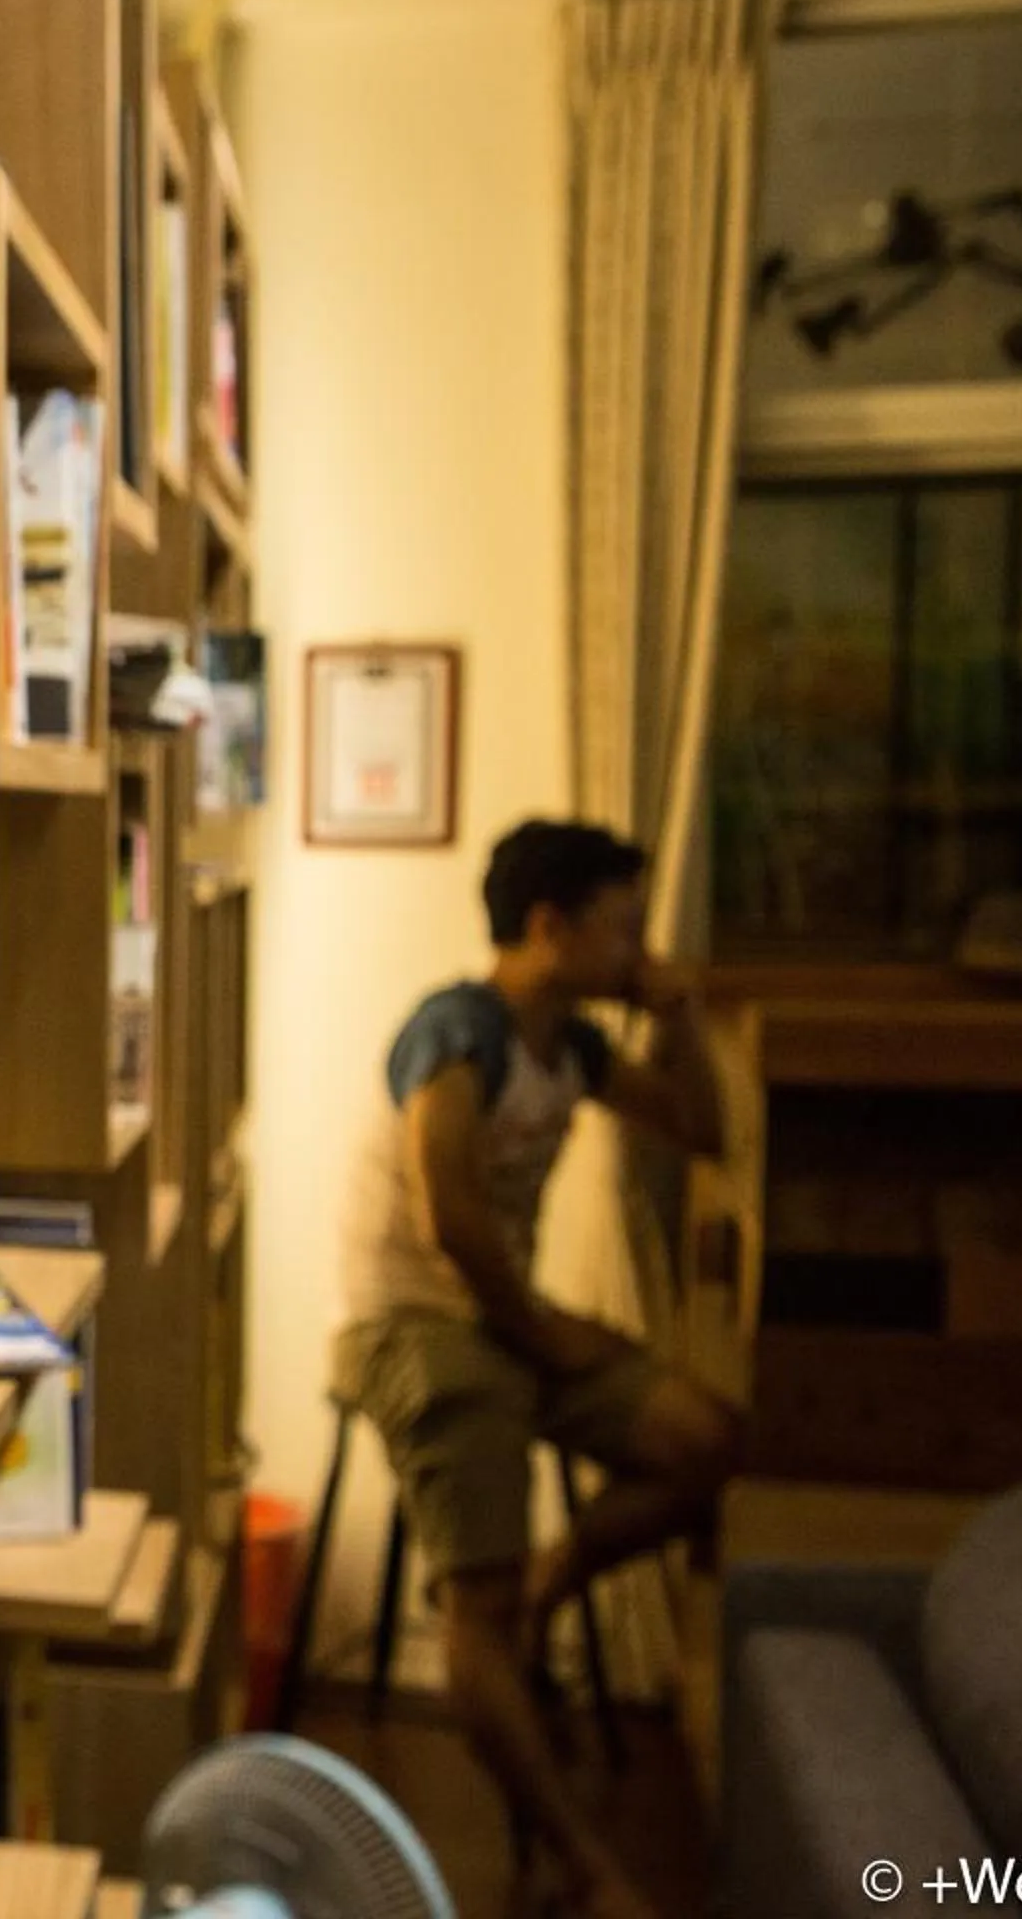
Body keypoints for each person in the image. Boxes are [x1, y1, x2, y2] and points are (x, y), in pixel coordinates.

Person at [332, 820, 742, 1919]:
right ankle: (582, 1859)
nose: (635, 948)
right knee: (479, 1597)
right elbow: (449, 1212)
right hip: (416, 1322)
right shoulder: (458, 1029)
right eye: (621, 926)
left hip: (508, 1318)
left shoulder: (578, 1045)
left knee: (704, 1441)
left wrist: (678, 1012)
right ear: (550, 926)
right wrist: (545, 1331)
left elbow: (701, 1127)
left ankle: (548, 1588)